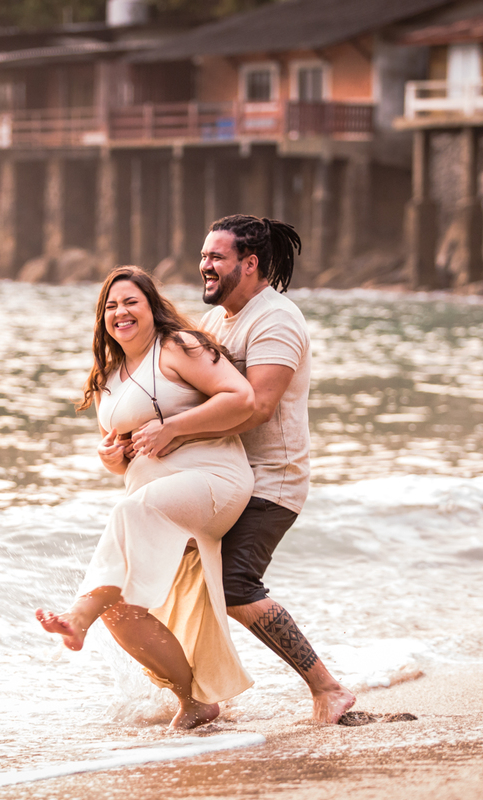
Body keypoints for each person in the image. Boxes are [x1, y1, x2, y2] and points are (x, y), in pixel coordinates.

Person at [36, 266, 258, 730]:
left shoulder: (178, 347)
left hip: (212, 481)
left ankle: (78, 615)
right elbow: (124, 458)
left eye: (131, 301)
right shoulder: (106, 380)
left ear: (151, 307)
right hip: (153, 505)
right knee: (119, 610)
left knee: (129, 510)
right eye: (111, 306)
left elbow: (242, 398)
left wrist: (174, 425)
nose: (121, 312)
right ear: (103, 320)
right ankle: (193, 702)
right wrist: (110, 456)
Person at [163, 214, 358, 724]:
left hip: (273, 479)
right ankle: (199, 698)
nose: (205, 264)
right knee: (178, 575)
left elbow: (259, 405)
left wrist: (175, 432)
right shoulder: (216, 322)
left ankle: (328, 689)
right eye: (204, 255)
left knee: (233, 583)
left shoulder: (276, 319)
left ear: (249, 264)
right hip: (226, 476)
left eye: (216, 256)